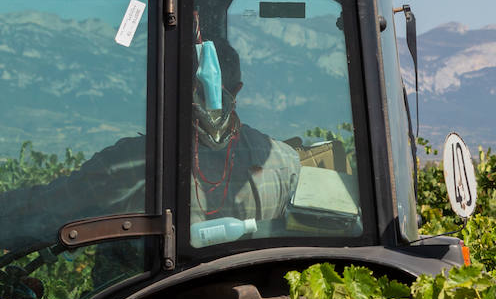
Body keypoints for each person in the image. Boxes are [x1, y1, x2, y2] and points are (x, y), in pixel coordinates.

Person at [0, 38, 300, 254]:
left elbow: (48, 207)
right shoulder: (286, 164)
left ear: (167, 86)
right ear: (238, 91)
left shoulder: (129, 164)